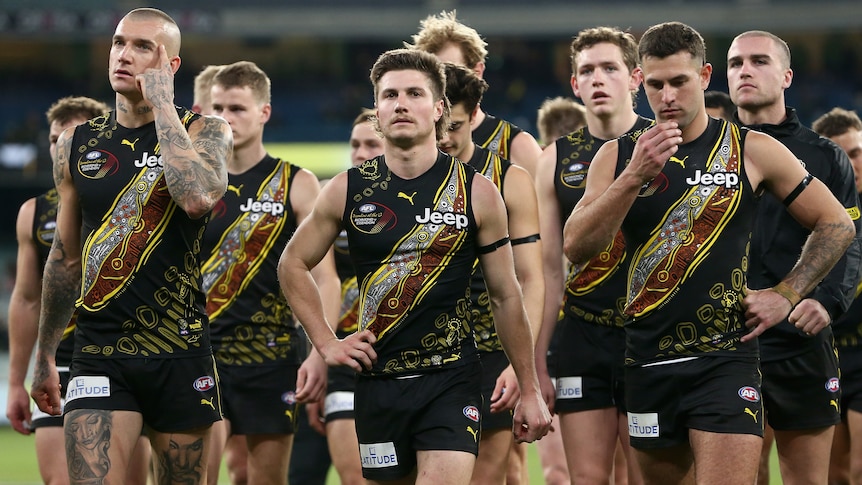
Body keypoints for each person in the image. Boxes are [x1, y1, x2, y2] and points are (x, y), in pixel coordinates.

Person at [563, 21, 856, 484]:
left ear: (703, 76)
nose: (668, 96)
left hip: (726, 359)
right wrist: (634, 176)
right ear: (641, 81)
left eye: (679, 81)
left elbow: (836, 221)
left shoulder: (751, 149)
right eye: (656, 85)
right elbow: (577, 247)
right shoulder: (618, 157)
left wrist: (788, 292)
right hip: (645, 359)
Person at [278, 48, 551, 484]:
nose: (400, 103)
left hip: (453, 379)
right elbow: (292, 263)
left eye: (414, 93)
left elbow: (505, 294)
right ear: (377, 112)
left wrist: (530, 388)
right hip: (378, 381)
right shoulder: (346, 189)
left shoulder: (479, 192)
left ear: (439, 108)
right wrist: (327, 344)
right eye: (389, 95)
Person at [29, 8, 232, 485]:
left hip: (180, 349)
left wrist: (162, 105)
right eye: (119, 43)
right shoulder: (76, 143)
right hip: (99, 348)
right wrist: (44, 353)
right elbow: (64, 256)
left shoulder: (207, 131)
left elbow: (197, 198)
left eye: (144, 48)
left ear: (171, 66)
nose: (125, 54)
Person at [728, 31, 862, 485]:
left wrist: (827, 300)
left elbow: (849, 238)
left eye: (758, 61)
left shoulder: (825, 157)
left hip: (799, 343)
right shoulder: (709, 153)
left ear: (786, 76)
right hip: (728, 343)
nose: (744, 70)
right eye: (735, 63)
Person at [200, 60, 338, 485]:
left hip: (271, 356)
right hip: (199, 355)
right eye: (217, 107)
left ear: (264, 112)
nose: (225, 117)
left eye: (238, 108)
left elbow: (326, 278)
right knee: (192, 477)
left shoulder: (296, 183)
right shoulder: (191, 185)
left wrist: (319, 352)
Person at [5, 95, 150, 485]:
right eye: (54, 140)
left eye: (70, 138)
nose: (60, 149)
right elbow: (26, 298)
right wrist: (16, 381)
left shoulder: (132, 206)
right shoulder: (34, 212)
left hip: (123, 358)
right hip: (59, 362)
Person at [535, 26, 652, 485]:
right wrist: (537, 362)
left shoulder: (669, 144)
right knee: (586, 478)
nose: (598, 78)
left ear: (635, 78)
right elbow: (547, 271)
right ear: (575, 85)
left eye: (610, 68)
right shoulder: (554, 159)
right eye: (587, 70)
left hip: (653, 337)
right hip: (583, 337)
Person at [438, 62, 544, 485]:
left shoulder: (508, 178)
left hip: (489, 353)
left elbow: (531, 279)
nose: (444, 138)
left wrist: (522, 366)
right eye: (438, 126)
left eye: (456, 126)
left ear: (476, 113)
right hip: (414, 357)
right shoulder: (397, 177)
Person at [307, 108, 385, 485]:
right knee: (356, 477)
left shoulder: (424, 207)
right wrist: (318, 354)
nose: (360, 153)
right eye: (355, 145)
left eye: (371, 144)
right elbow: (304, 274)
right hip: (346, 357)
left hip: (408, 357)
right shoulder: (333, 200)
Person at [408, 10, 543, 179]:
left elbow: (544, 205)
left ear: (477, 71)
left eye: (451, 70)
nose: (443, 83)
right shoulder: (406, 144)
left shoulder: (515, 146)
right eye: (431, 75)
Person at [814, 107, 862, 485]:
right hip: (825, 355)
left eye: (858, 152)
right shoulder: (810, 215)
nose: (852, 162)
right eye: (842, 154)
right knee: (836, 474)